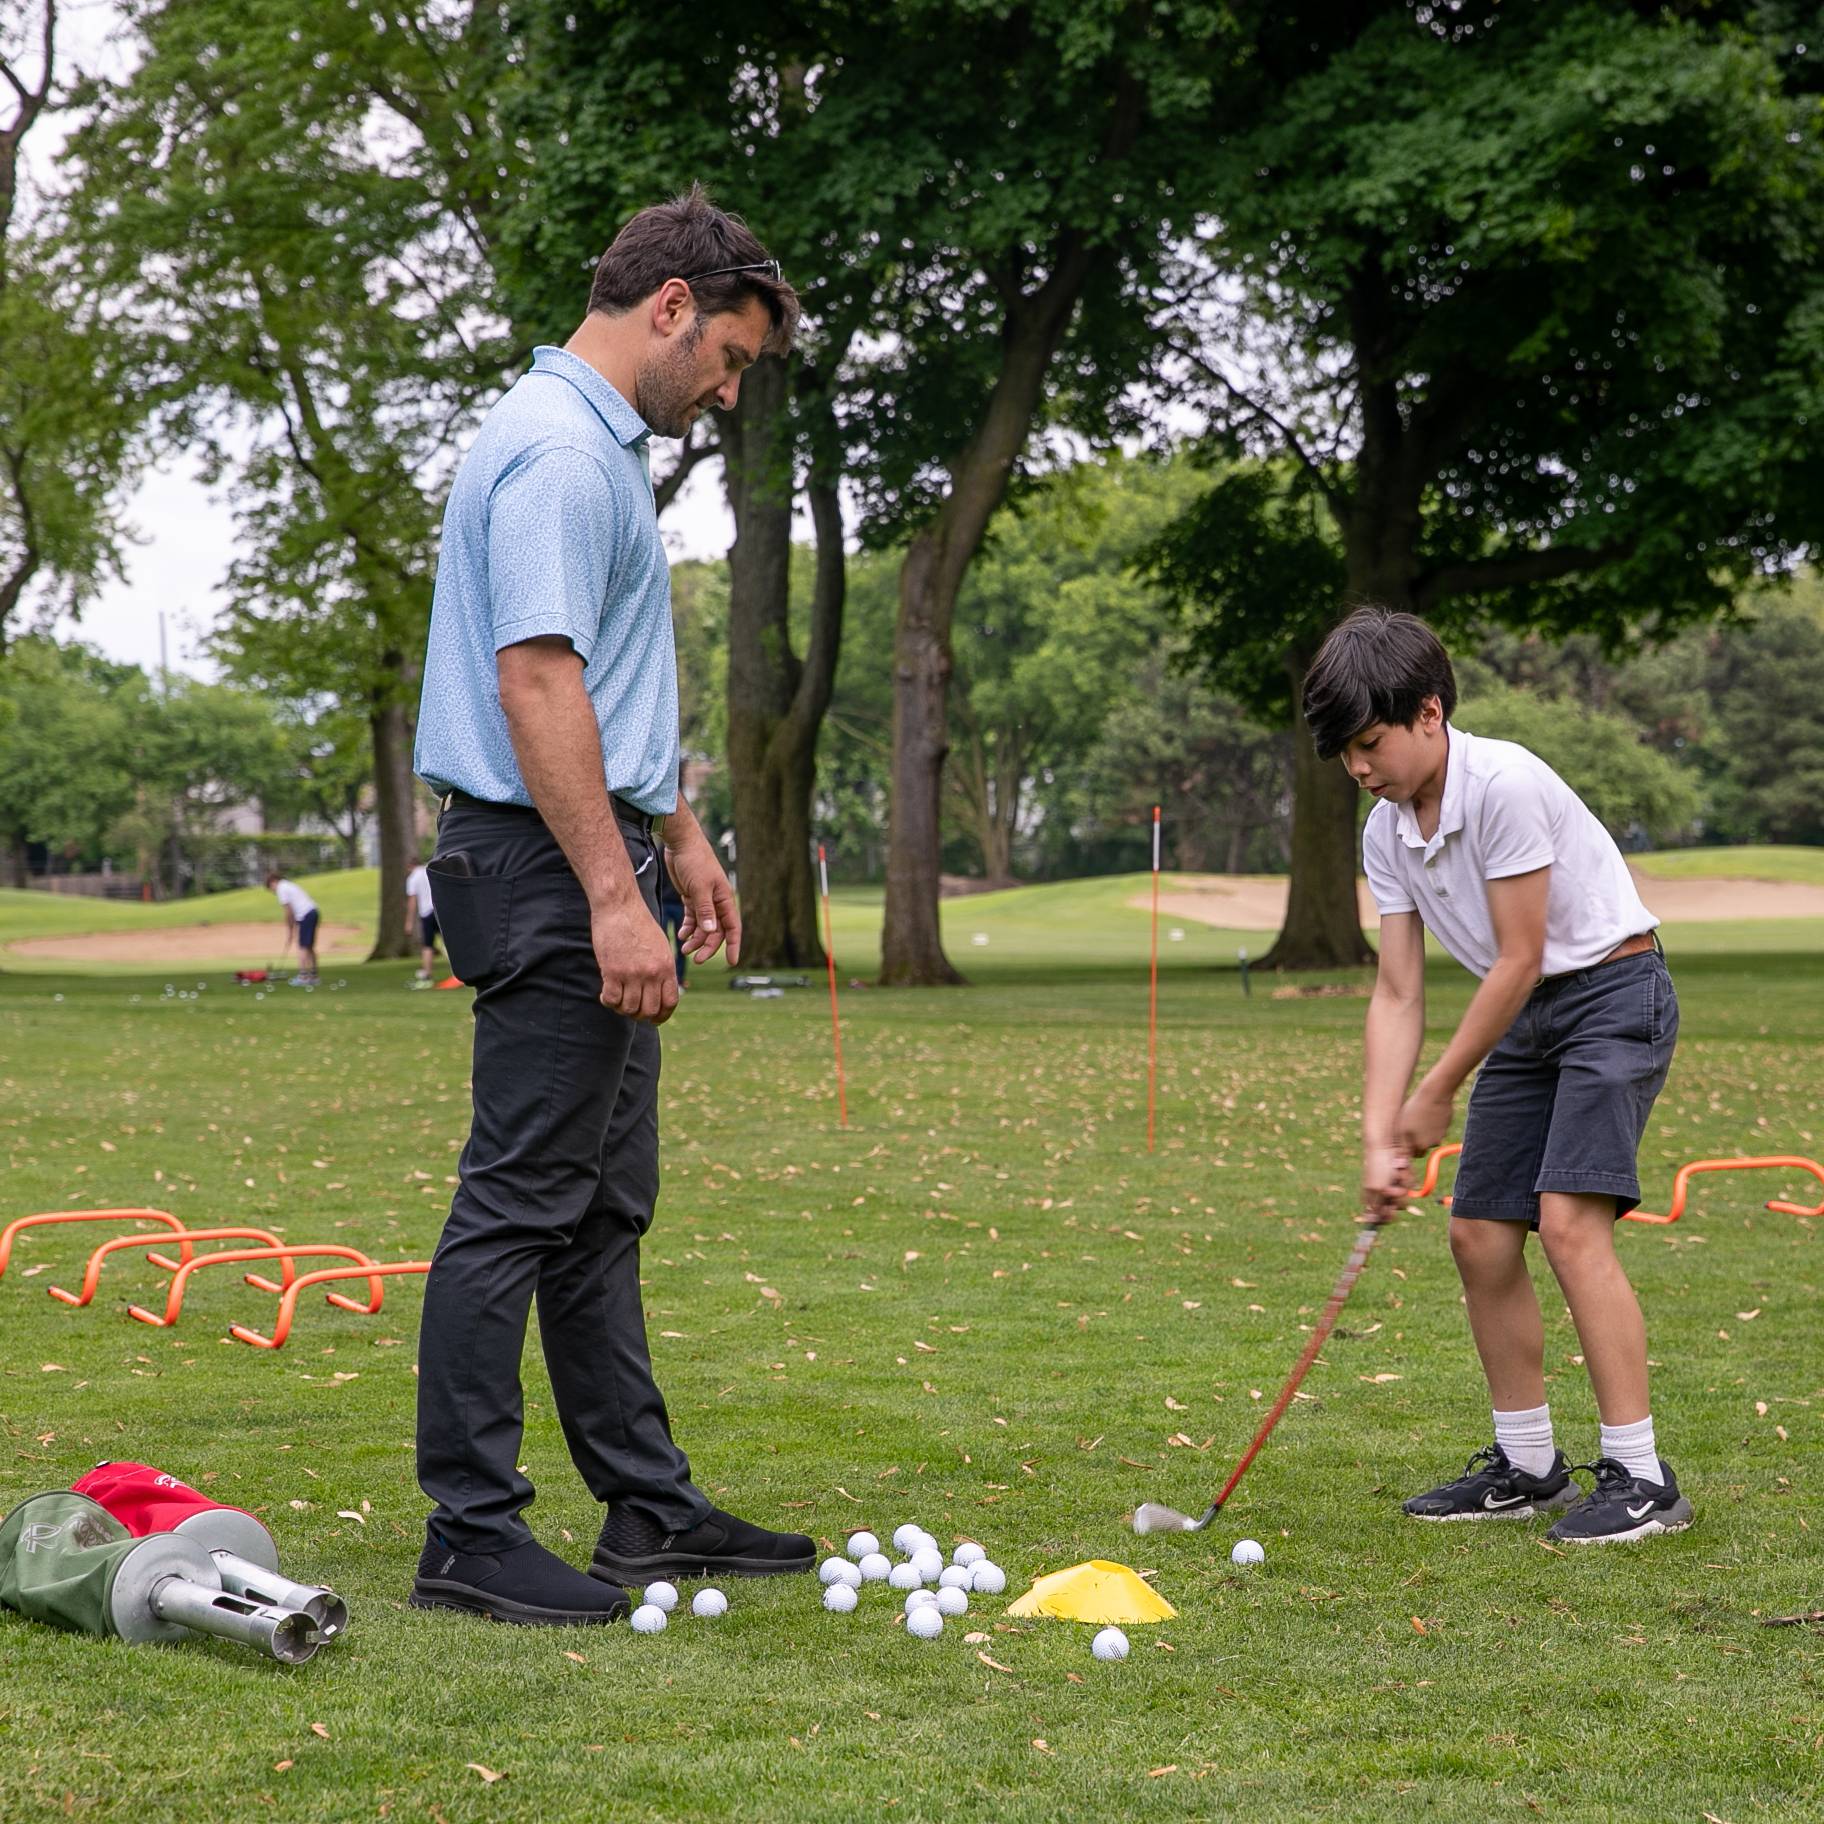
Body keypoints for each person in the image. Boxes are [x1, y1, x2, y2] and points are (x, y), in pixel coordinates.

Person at [409, 185, 813, 1626]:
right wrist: (609, 896)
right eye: (729, 358)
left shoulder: (591, 450)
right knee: (518, 1202)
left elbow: (607, 684)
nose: (724, 388)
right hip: (541, 869)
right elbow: (536, 682)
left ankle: (645, 1508)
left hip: (585, 854)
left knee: (596, 1210)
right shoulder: (562, 459)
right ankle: (470, 1531)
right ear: (671, 307)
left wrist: (678, 838)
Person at [1305, 606, 1691, 1545]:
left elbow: (1519, 956)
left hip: (1611, 993)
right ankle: (1527, 1467)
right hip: (1525, 1015)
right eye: (1345, 753)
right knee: (1478, 1234)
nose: (1359, 768)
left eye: (1369, 743)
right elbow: (1397, 991)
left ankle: (1643, 1479)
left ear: (1429, 713)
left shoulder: (1507, 784)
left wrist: (1435, 1093)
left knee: (1566, 1223)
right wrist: (1376, 1131)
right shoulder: (1388, 830)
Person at [264, 871, 319, 987]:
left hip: (306, 914)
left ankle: (303, 977)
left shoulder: (281, 888)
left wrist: (289, 931)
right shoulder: (288, 885)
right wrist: (295, 927)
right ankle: (313, 976)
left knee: (302, 946)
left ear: (273, 882)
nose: (273, 891)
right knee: (308, 946)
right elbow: (295, 910)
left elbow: (288, 912)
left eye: (271, 888)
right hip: (312, 912)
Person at [404, 858, 440, 978]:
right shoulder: (430, 872)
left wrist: (409, 922)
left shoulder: (413, 878)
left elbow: (412, 901)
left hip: (426, 913)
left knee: (428, 944)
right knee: (449, 943)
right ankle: (459, 973)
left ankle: (427, 972)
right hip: (440, 910)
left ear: (410, 866)